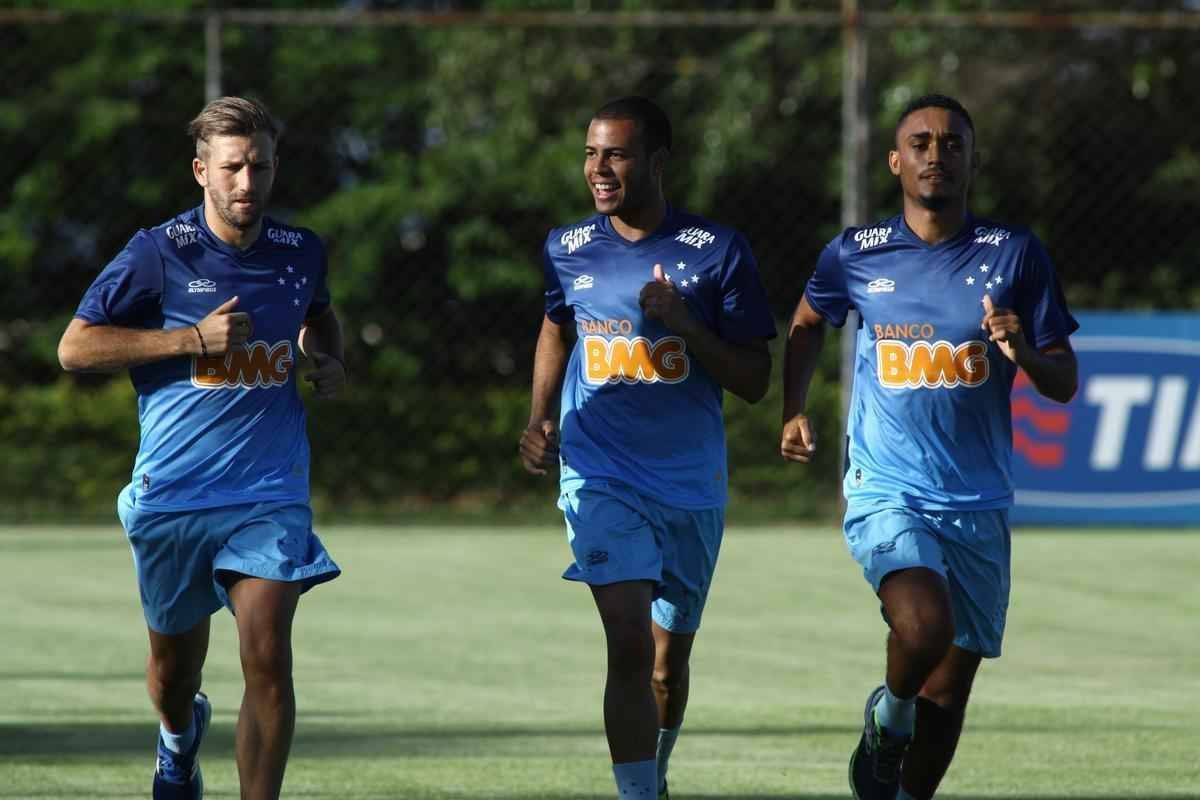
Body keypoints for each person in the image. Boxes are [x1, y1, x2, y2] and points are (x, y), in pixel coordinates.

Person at [780, 94, 1078, 800]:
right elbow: (806, 320)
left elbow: (1062, 381)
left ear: (973, 160)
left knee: (951, 686)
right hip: (887, 490)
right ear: (895, 160)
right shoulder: (856, 253)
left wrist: (1022, 348)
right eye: (920, 142)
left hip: (977, 499)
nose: (935, 154)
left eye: (951, 143)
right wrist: (794, 408)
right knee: (923, 628)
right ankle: (888, 716)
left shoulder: (1015, 254)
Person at [58, 96, 345, 800]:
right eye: (233, 168)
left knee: (268, 656)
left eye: (261, 166)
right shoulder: (157, 253)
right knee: (172, 677)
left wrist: (324, 357)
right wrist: (191, 340)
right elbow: (75, 347)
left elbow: (319, 316)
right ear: (200, 171)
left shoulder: (300, 251)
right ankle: (179, 740)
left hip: (268, 493)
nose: (248, 183)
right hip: (174, 497)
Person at [519, 96, 775, 799]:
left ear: (657, 164)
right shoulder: (566, 247)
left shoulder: (718, 251)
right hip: (597, 472)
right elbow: (555, 327)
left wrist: (686, 326)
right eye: (592, 153)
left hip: (689, 486)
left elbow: (754, 379)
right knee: (627, 641)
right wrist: (540, 418)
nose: (598, 169)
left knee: (666, 664)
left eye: (617, 155)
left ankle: (653, 774)